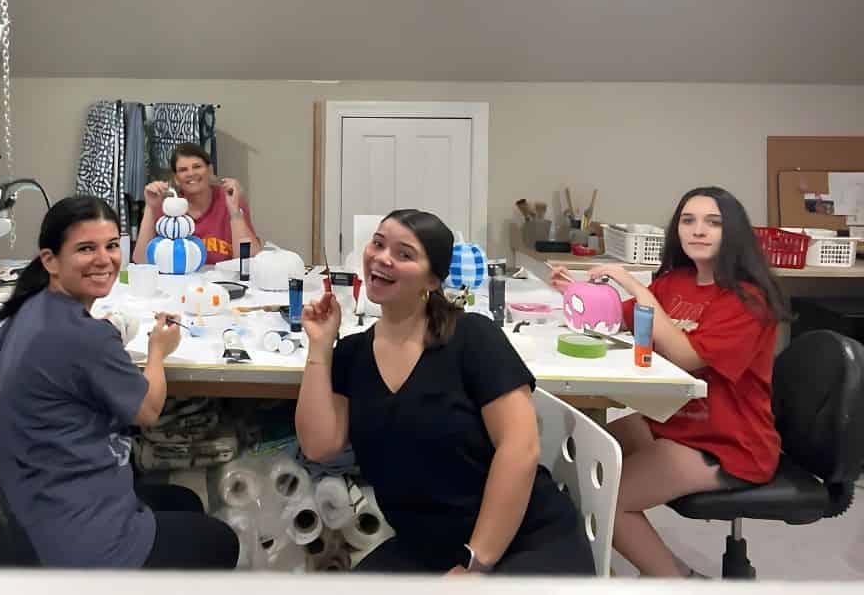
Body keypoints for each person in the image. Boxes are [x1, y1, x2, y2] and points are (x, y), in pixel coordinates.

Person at [296, 208, 595, 576]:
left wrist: (475, 562)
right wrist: (320, 347)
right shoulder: (353, 354)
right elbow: (318, 445)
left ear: (433, 280)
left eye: (405, 254)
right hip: (428, 547)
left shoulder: (471, 337)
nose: (382, 258)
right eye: (378, 243)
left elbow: (520, 448)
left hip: (521, 539)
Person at [0, 195, 238, 569]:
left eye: (112, 245)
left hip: (32, 510)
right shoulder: (85, 337)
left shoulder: (31, 307)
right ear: (50, 260)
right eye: (86, 248)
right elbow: (148, 410)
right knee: (220, 540)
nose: (104, 259)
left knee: (184, 502)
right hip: (79, 541)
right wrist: (158, 352)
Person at [550, 186, 789, 578]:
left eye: (713, 222)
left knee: (607, 498)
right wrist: (574, 290)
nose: (698, 230)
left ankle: (674, 582)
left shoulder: (749, 299)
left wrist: (634, 284)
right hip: (675, 421)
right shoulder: (676, 282)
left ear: (734, 233)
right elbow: (621, 317)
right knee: (587, 445)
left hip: (727, 441)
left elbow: (684, 354)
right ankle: (672, 569)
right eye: (688, 220)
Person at [132, 143, 261, 265]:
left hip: (222, 284)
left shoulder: (229, 199)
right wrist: (150, 207)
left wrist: (234, 211)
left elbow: (250, 260)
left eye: (197, 167)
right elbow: (141, 261)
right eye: (183, 170)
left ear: (210, 170)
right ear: (176, 179)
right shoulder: (168, 206)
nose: (191, 174)